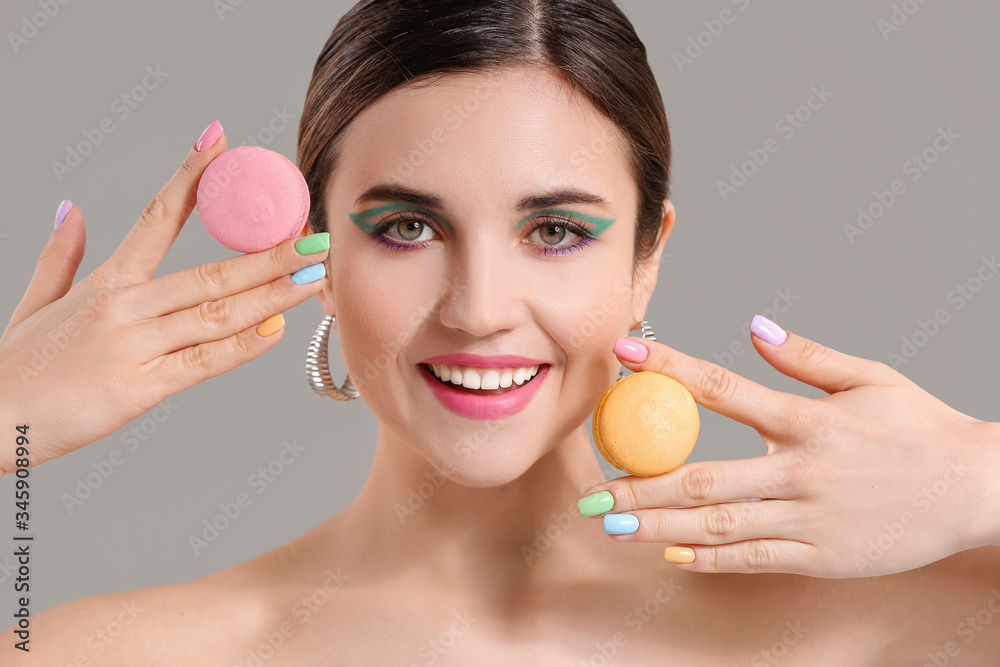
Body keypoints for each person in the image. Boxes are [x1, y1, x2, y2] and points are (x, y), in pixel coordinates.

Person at [3, 0, 999, 663]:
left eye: (555, 231)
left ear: (646, 254)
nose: (478, 307)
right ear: (316, 256)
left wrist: (981, 476)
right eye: (405, 226)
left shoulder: (876, 627)